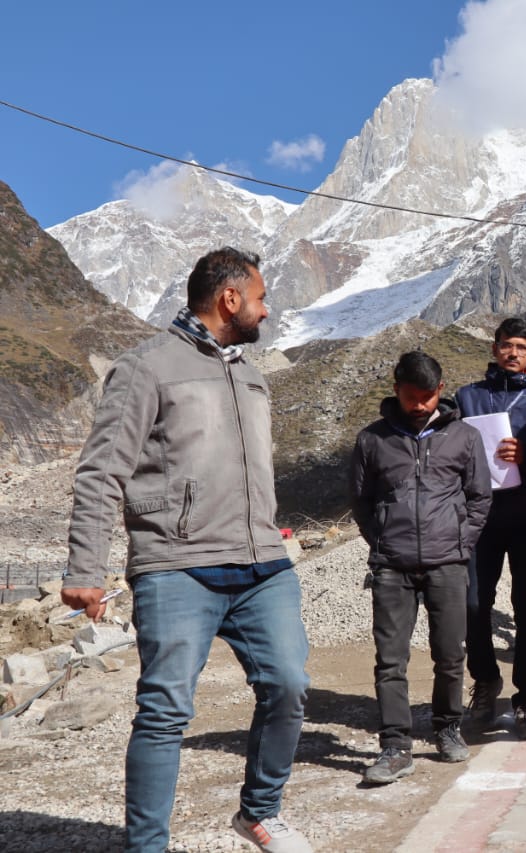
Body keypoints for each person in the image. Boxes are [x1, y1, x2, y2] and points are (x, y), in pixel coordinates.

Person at [62, 247, 313, 853]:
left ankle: (260, 811)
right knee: (165, 711)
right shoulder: (146, 368)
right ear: (230, 300)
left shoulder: (252, 373)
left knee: (288, 684)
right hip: (177, 565)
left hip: (262, 564)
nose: (266, 308)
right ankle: (147, 846)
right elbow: (101, 472)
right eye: (259, 297)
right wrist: (85, 567)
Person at [351, 352, 492, 780]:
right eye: (412, 397)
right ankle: (395, 746)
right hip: (392, 568)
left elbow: (480, 498)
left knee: (450, 655)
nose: (421, 405)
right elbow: (361, 501)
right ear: (396, 390)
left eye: (428, 397)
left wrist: (459, 544)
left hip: (448, 564)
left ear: (441, 391)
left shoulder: (465, 437)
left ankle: (448, 730)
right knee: (390, 660)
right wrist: (382, 542)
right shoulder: (371, 440)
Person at [455, 317, 526, 740]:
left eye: (521, 347)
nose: (513, 353)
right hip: (480, 516)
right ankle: (486, 680)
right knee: (473, 604)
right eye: (506, 345)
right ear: (494, 349)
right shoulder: (469, 396)